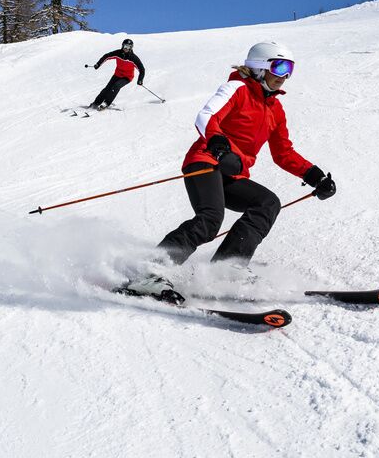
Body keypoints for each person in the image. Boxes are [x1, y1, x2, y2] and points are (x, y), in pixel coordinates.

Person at [124, 40, 336, 303]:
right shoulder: (237, 88)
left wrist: (314, 176)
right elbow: (206, 116)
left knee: (267, 203)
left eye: (290, 68)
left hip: (233, 172)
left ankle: (226, 269)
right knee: (210, 220)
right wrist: (219, 147)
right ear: (259, 66)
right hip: (206, 161)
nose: (285, 76)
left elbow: (283, 153)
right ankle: (148, 272)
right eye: (279, 67)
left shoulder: (275, 109)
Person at [89, 38, 145, 110]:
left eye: (128, 47)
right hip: (117, 74)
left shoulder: (133, 58)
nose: (126, 48)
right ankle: (96, 103)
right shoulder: (118, 53)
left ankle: (106, 103)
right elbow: (107, 56)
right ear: (122, 46)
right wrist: (98, 64)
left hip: (127, 77)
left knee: (116, 86)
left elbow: (142, 69)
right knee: (107, 89)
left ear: (131, 48)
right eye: (125, 46)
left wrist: (140, 79)